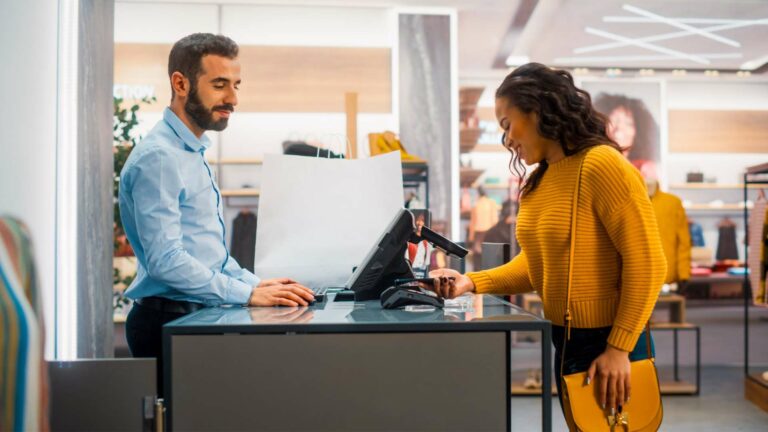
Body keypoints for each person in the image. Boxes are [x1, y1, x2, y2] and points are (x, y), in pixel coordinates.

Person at [429, 63, 666, 417]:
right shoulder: (541, 181)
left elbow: (648, 264)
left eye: (508, 124)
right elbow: (537, 265)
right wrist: (470, 282)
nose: (506, 139)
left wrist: (619, 347)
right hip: (565, 336)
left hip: (610, 339)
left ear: (538, 109)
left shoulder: (602, 164)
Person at [118, 33, 314, 392]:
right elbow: (166, 260)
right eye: (220, 85)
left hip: (193, 316)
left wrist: (254, 283)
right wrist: (246, 294)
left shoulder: (190, 152)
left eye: (236, 85)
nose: (233, 99)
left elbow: (209, 254)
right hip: (167, 321)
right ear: (180, 83)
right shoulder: (160, 158)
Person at [593, 93, 660, 179]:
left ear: (637, 132)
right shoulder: (594, 162)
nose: (619, 128)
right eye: (613, 120)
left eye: (628, 123)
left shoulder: (644, 168)